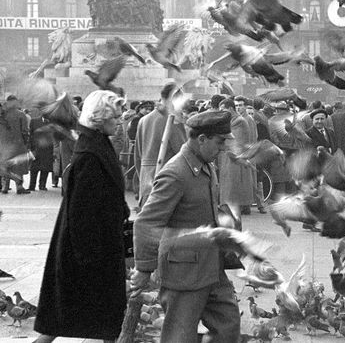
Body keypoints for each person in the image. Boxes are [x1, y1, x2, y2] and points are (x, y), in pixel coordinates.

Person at [131, 110, 242, 343]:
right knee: (179, 336)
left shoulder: (205, 164)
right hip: (184, 272)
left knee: (228, 324)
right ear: (201, 139)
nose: (222, 148)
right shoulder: (176, 173)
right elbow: (147, 221)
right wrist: (144, 267)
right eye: (219, 142)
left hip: (211, 265)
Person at [33, 90, 129, 343]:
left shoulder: (96, 144)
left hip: (96, 243)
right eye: (115, 118)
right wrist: (89, 255)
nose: (119, 122)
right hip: (90, 248)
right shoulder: (90, 154)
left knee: (80, 317)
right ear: (99, 118)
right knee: (87, 315)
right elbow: (82, 211)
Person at [134, 83, 187, 208]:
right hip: (167, 183)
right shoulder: (172, 120)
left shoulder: (144, 120)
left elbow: (137, 156)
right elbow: (184, 152)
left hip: (146, 180)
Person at [0, 95, 30, 194]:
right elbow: (25, 131)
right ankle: (19, 186)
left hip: (3, 144)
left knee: (5, 165)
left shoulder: (2, 114)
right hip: (18, 144)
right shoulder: (21, 115)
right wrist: (26, 142)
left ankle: (5, 186)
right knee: (18, 165)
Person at [28, 111, 54, 192]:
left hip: (47, 149)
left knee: (45, 168)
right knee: (33, 168)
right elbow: (30, 135)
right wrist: (29, 148)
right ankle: (32, 185)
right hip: (35, 148)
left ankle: (42, 185)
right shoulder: (34, 121)